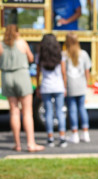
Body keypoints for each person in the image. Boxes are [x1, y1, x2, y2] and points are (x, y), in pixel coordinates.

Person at [0, 24, 44, 152]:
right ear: (17, 33)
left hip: (7, 77)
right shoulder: (22, 43)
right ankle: (31, 143)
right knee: (27, 112)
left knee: (14, 111)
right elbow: (31, 58)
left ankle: (17, 144)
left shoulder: (1, 44)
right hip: (21, 75)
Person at [36, 34, 67, 148]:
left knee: (48, 112)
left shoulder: (40, 56)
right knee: (59, 112)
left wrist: (38, 87)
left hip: (46, 86)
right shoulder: (60, 55)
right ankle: (62, 138)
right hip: (58, 86)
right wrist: (65, 87)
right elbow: (63, 72)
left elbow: (38, 73)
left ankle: (50, 139)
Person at [63, 32, 91, 143]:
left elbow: (64, 73)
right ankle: (85, 133)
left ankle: (74, 134)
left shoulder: (64, 54)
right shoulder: (83, 54)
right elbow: (86, 71)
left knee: (72, 110)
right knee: (82, 108)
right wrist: (87, 83)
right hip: (81, 85)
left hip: (70, 86)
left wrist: (64, 86)